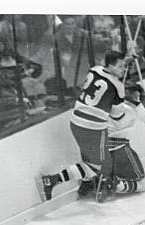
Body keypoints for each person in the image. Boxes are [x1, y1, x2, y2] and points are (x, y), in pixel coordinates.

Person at [39, 50, 126, 203]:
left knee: (90, 160)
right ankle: (52, 180)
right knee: (98, 166)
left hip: (76, 121)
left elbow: (104, 77)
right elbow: (117, 116)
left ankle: (86, 185)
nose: (123, 70)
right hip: (93, 128)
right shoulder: (118, 86)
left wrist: (125, 62)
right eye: (120, 66)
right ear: (111, 65)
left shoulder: (95, 69)